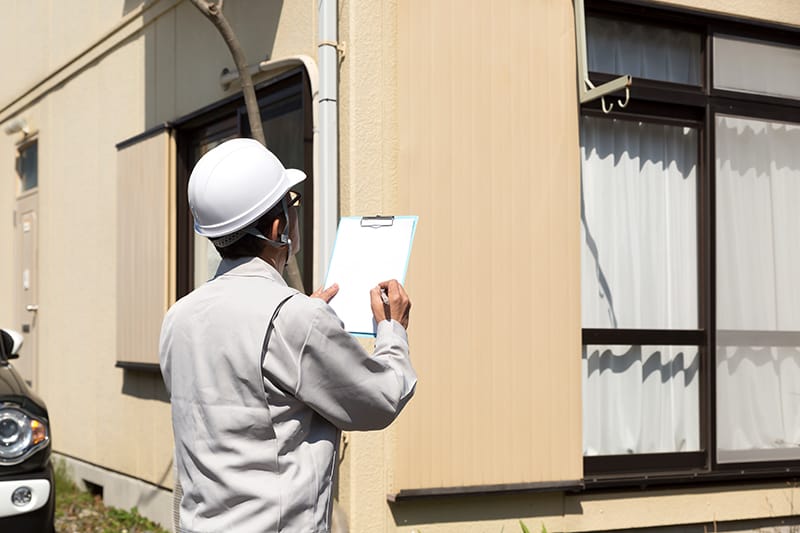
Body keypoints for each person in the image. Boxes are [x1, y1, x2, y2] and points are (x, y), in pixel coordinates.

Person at [159, 138, 416, 533]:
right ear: (279, 227)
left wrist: (303, 320)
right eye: (291, 204)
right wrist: (392, 329)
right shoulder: (293, 320)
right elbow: (380, 399)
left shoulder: (179, 317)